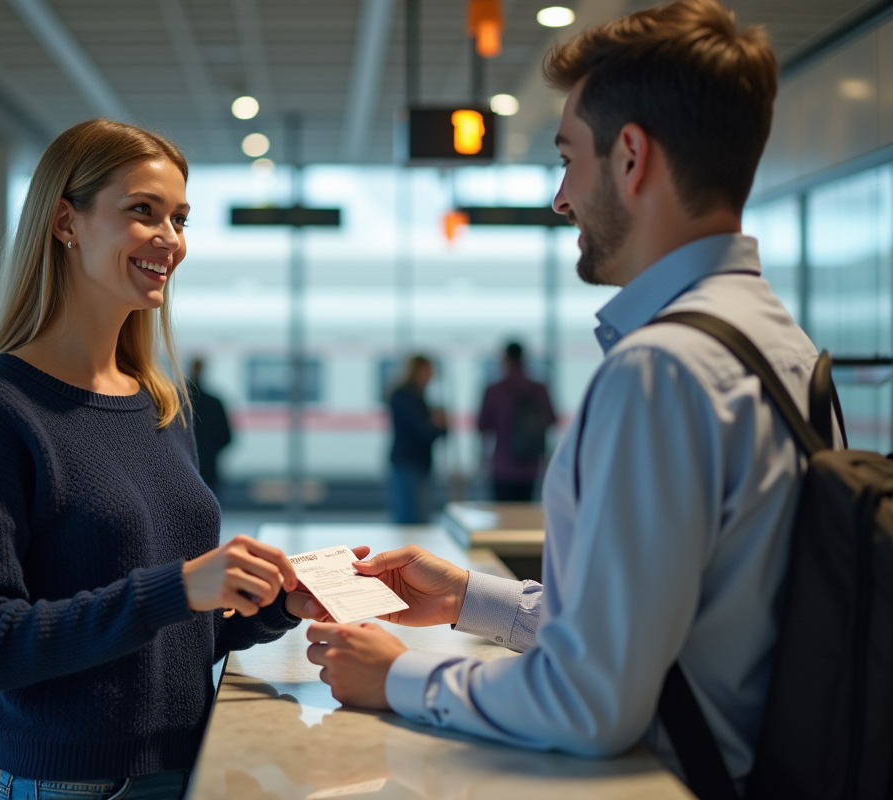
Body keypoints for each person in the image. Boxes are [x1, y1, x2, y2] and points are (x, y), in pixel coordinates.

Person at [302, 1, 819, 792]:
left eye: (569, 158)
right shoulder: (775, 342)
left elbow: (589, 704)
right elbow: (674, 631)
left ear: (632, 158)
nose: (561, 198)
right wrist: (472, 599)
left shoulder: (664, 370)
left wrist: (398, 678)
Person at [0, 119, 338, 800]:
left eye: (179, 217)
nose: (170, 239)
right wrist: (178, 586)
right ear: (66, 222)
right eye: (141, 212)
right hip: (77, 784)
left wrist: (277, 603)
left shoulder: (160, 406)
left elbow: (171, 636)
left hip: (185, 768)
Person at [477, 341, 557, 502]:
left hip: (502, 465)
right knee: (525, 514)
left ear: (505, 359)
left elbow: (482, 425)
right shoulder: (539, 388)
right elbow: (551, 419)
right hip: (531, 465)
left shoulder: (495, 390)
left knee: (503, 515)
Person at [386, 355, 447, 524]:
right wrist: (435, 422)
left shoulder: (419, 397)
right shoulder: (404, 396)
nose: (431, 375)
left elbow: (435, 433)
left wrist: (438, 424)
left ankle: (414, 551)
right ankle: (407, 551)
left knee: (420, 517)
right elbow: (420, 430)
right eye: (428, 371)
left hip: (419, 464)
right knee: (410, 519)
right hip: (407, 464)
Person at [187, 357, 233, 497]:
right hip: (209, 469)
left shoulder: (177, 402)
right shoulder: (215, 403)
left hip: (184, 468)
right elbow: (227, 437)